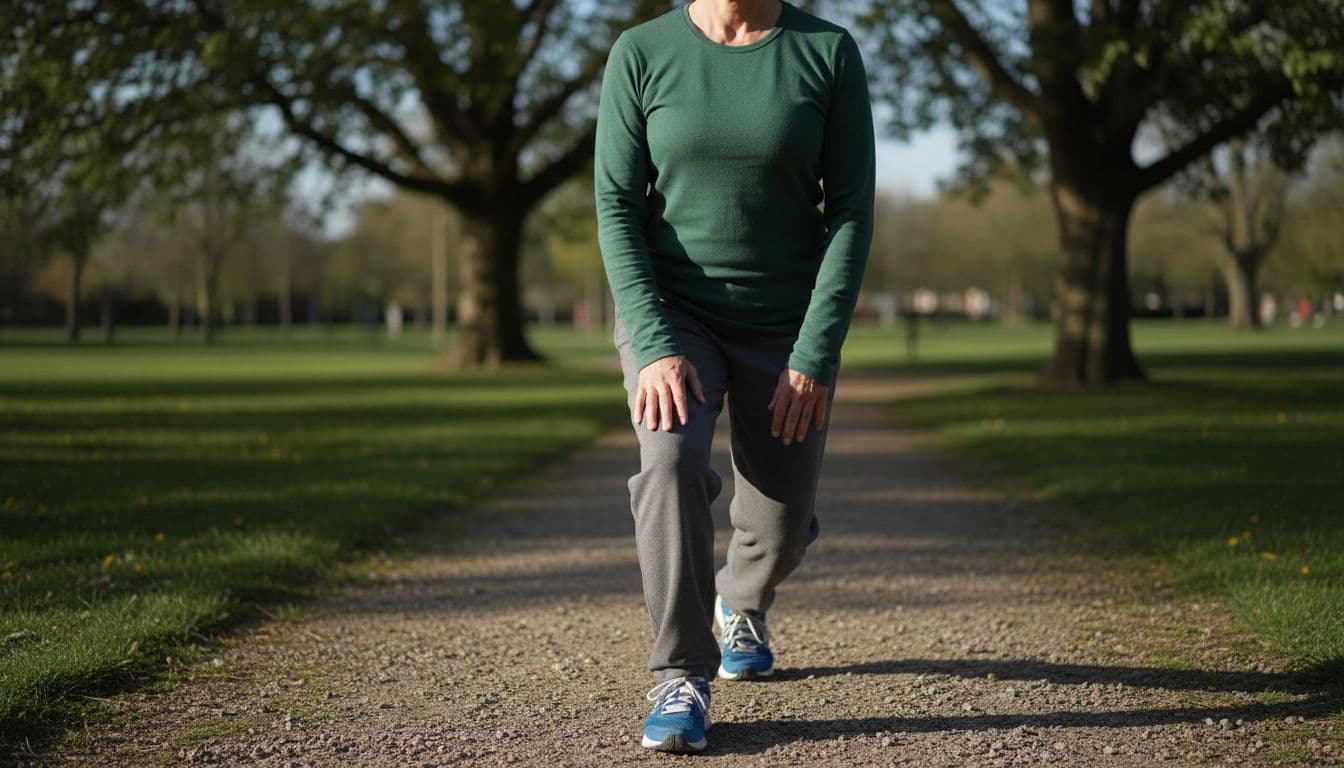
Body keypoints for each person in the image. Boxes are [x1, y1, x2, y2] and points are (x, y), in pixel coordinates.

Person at [593, 0, 875, 754]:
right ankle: (681, 674)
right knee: (670, 458)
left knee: (782, 528)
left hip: (787, 322)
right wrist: (652, 343)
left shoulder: (826, 52)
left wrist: (814, 353)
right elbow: (616, 205)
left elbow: (851, 210)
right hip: (672, 311)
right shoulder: (642, 51)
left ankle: (740, 599)